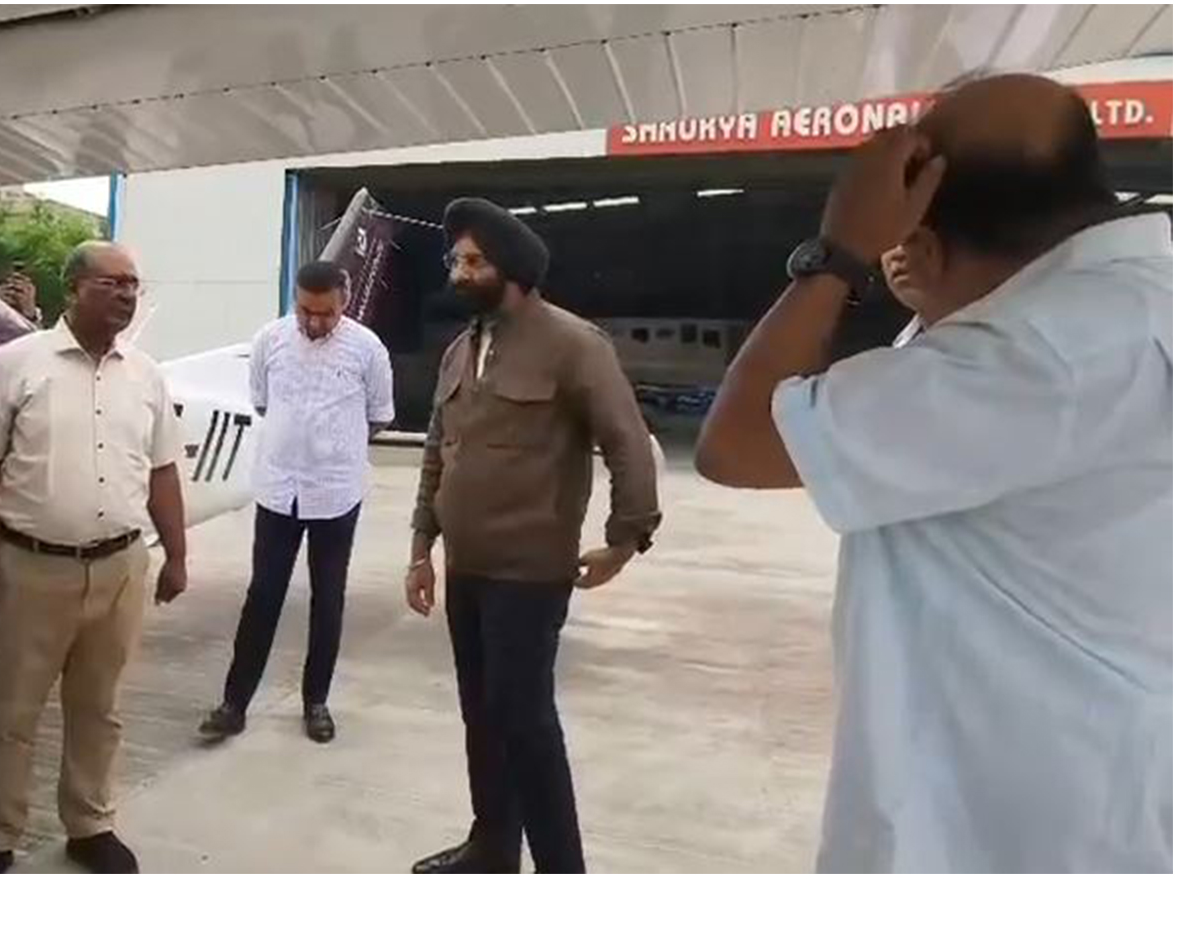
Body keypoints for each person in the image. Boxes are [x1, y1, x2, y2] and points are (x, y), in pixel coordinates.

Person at [694, 74, 1171, 873]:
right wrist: (943, 300)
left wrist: (837, 255)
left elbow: (736, 442)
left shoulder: (1037, 355)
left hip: (1006, 816)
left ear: (921, 230)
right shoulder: (1135, 305)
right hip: (1103, 780)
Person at [406, 199, 661, 873]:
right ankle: (492, 847)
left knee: (525, 724)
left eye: (473, 262)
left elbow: (628, 442)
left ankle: (560, 870)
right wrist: (419, 549)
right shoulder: (464, 348)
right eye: (454, 260)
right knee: (481, 719)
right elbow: (439, 450)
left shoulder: (573, 344)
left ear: (510, 269)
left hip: (531, 573)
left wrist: (625, 537)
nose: (458, 273)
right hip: (467, 568)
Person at [0, 241, 188, 874]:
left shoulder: (147, 376)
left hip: (121, 567)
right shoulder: (14, 364)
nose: (128, 294)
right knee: (9, 710)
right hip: (31, 567)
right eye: (113, 283)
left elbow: (163, 473)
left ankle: (89, 822)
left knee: (99, 707)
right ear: (73, 288)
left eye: (134, 284)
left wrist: (178, 556)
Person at [199, 261, 394, 744]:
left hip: (336, 492)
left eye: (325, 314)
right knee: (262, 595)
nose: (314, 322)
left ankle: (316, 702)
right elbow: (262, 403)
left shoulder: (368, 349)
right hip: (277, 489)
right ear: (295, 300)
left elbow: (379, 416)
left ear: (343, 302)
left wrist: (335, 447)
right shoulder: (270, 339)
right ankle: (234, 702)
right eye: (305, 310)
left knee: (328, 600)